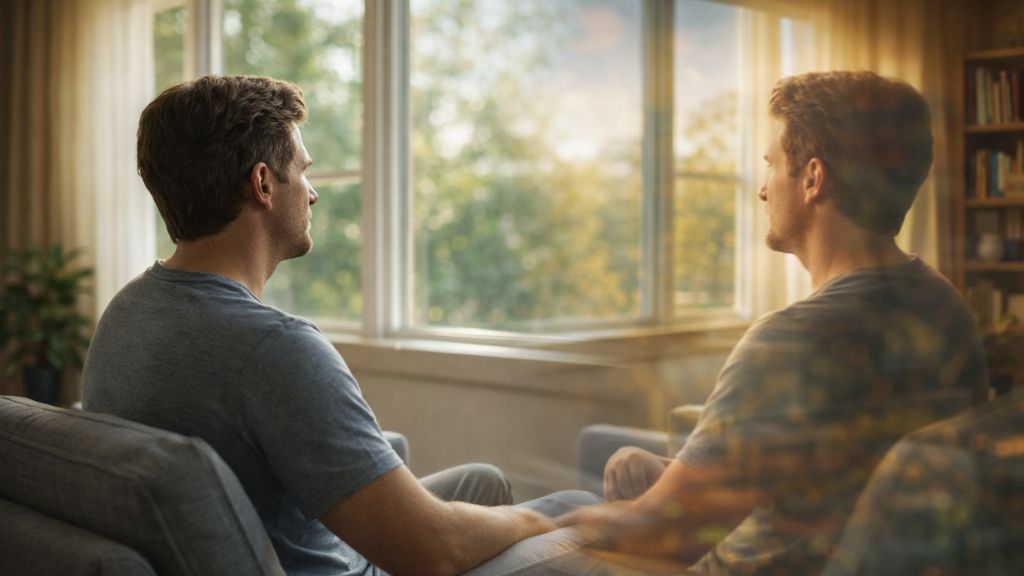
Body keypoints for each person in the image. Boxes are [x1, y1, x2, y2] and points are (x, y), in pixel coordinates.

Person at [474, 70, 989, 575]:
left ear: (812, 178)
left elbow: (661, 539)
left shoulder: (793, 339)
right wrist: (679, 478)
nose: (763, 190)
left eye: (771, 165)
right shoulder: (945, 307)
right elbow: (826, 482)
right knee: (565, 501)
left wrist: (535, 525)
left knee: (497, 546)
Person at [82, 75, 556, 576]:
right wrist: (541, 521)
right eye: (304, 172)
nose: (312, 194)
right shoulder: (274, 348)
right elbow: (432, 551)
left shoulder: (123, 314)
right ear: (263, 184)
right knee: (568, 507)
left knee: (483, 481)